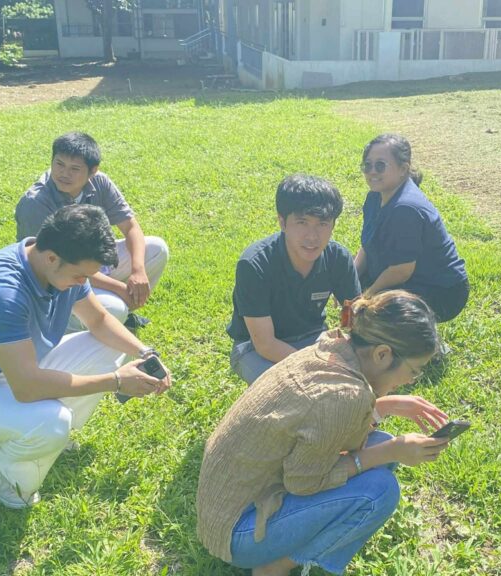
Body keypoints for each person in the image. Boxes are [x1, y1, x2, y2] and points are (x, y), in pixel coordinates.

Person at [198, 290, 454, 576]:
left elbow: (320, 427)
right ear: (382, 354)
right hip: (238, 533)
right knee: (380, 490)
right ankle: (273, 567)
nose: (411, 380)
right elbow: (304, 482)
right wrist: (391, 451)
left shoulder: (332, 347)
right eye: (414, 371)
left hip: (224, 510)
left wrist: (386, 406)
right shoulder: (345, 395)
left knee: (380, 447)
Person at [0, 205, 173, 509]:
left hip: (22, 367)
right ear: (51, 258)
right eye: (80, 275)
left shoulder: (57, 264)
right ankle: (2, 465)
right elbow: (26, 387)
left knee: (112, 343)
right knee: (52, 422)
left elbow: (99, 320)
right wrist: (116, 381)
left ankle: (46, 438)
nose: (84, 282)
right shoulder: (1, 292)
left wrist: (145, 352)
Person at [15, 131, 169, 330]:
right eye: (59, 164)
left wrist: (138, 272)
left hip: (91, 264)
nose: (64, 173)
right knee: (115, 308)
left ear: (93, 171)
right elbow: (59, 265)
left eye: (74, 168)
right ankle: (56, 328)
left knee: (157, 249)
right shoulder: (35, 203)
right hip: (57, 279)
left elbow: (130, 226)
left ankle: (114, 315)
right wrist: (119, 288)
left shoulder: (100, 182)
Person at [227, 174, 361, 384]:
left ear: (333, 225)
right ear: (282, 222)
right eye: (302, 222)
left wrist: (350, 343)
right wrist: (317, 365)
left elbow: (354, 316)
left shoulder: (338, 258)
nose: (312, 236)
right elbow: (265, 344)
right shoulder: (254, 264)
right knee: (292, 391)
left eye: (322, 224)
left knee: (356, 382)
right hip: (255, 348)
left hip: (313, 337)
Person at [355, 134, 469, 323]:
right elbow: (368, 245)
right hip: (408, 276)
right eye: (367, 165)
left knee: (377, 312)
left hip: (440, 290)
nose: (372, 171)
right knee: (354, 286)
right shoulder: (375, 197)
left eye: (380, 165)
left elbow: (401, 270)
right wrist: (351, 279)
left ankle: (414, 338)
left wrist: (366, 298)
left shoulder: (405, 209)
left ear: (403, 169)